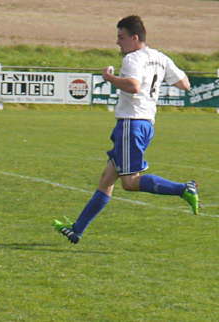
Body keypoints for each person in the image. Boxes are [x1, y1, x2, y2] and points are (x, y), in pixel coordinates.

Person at [53, 15, 199, 244]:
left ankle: (183, 189)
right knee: (107, 178)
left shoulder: (133, 59)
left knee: (130, 182)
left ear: (134, 37)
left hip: (131, 123)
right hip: (145, 123)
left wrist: (109, 77)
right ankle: (77, 230)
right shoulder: (160, 57)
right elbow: (185, 84)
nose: (118, 42)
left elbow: (133, 86)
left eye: (121, 37)